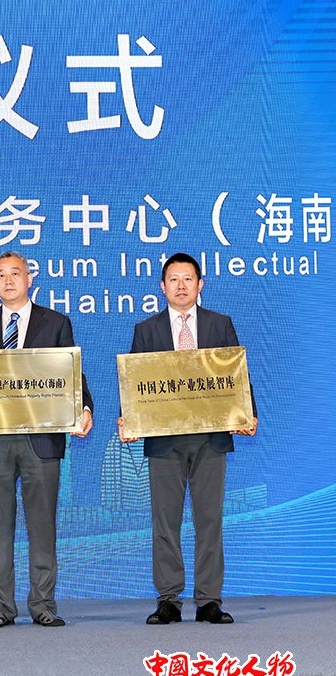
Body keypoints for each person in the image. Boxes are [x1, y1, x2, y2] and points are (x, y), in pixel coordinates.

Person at [0, 251, 94, 628]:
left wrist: (84, 407)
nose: (8, 280)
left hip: (40, 440)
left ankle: (43, 604)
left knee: (42, 525)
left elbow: (70, 373)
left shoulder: (55, 322)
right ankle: (1, 607)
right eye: (0, 275)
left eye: (15, 273)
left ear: (30, 279)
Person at [118, 252, 258, 625]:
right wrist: (129, 418)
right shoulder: (146, 330)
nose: (181, 286)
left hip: (210, 438)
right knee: (165, 522)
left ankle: (209, 600)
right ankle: (168, 600)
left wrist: (247, 413)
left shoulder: (219, 324)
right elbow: (137, 380)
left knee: (209, 520)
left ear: (200, 285)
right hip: (165, 440)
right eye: (174, 280)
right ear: (162, 287)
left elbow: (236, 373)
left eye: (188, 279)